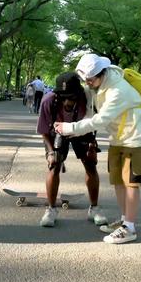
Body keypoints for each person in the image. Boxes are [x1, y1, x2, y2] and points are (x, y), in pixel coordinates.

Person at [55, 53, 141, 244]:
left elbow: (101, 120)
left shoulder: (118, 90)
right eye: (86, 80)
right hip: (119, 137)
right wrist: (73, 130)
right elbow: (91, 114)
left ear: (101, 73)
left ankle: (130, 228)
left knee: (131, 182)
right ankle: (125, 220)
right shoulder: (98, 87)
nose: (88, 84)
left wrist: (70, 128)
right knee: (118, 179)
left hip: (137, 136)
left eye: (90, 80)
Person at [37, 71, 108, 228]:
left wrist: (92, 146)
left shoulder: (88, 98)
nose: (67, 101)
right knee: (54, 165)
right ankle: (51, 209)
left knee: (90, 164)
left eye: (72, 97)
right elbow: (43, 130)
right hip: (57, 131)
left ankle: (94, 208)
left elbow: (94, 123)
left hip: (81, 129)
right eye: (63, 96)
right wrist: (50, 152)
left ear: (79, 94)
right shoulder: (48, 101)